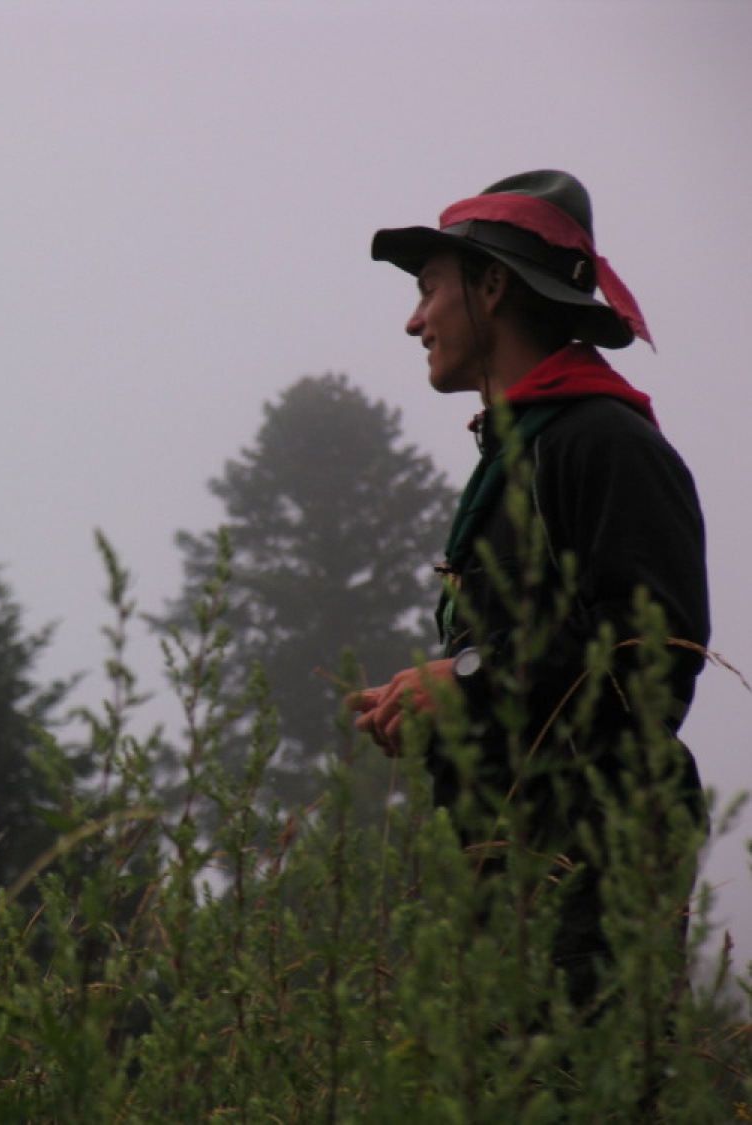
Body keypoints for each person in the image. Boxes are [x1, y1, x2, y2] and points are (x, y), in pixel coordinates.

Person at [347, 171, 710, 1016]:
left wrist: (463, 681)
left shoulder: (604, 444)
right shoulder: (530, 449)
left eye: (430, 288)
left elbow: (654, 655)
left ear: (493, 286)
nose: (414, 319)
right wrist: (444, 698)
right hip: (515, 860)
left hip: (592, 860)